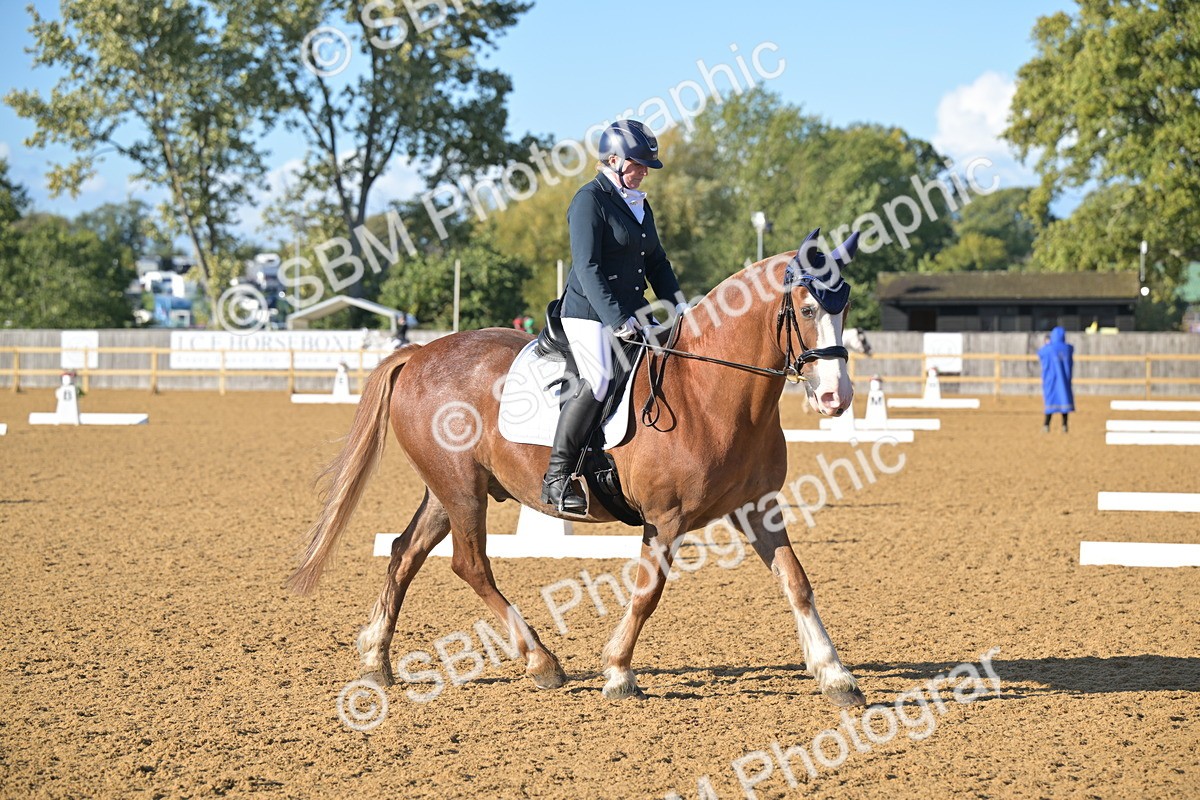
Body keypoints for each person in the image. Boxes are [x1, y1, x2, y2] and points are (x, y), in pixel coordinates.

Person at [541, 119, 686, 515]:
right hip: (589, 312)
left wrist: (680, 309)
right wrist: (617, 318)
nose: (642, 172)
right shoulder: (589, 200)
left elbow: (657, 262)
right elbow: (587, 268)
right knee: (600, 377)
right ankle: (557, 475)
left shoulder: (639, 204)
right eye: (637, 165)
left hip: (632, 312)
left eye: (645, 166)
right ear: (613, 159)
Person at [1038, 326, 1074, 432]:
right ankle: (1064, 425)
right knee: (1064, 401)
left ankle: (1046, 425)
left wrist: (1048, 343)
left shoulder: (1048, 349)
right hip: (1063, 381)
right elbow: (1071, 348)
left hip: (1051, 380)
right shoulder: (1067, 349)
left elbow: (1040, 353)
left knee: (1050, 401)